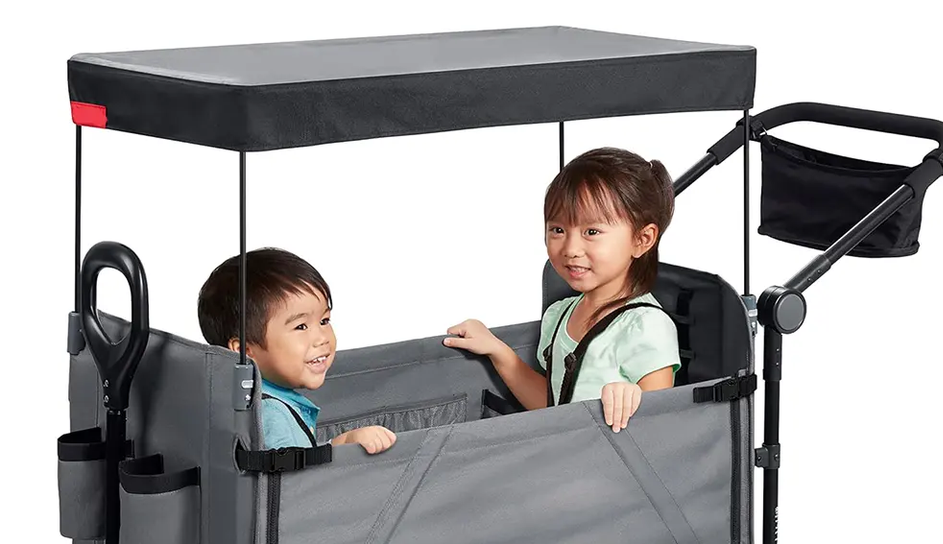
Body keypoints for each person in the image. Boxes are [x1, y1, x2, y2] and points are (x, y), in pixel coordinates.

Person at [444, 148, 679, 433]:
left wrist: (634, 401)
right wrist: (498, 350)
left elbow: (662, 432)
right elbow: (554, 406)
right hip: (562, 456)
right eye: (558, 230)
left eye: (591, 232)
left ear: (642, 240)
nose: (570, 249)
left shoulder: (646, 327)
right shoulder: (559, 315)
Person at [198, 248, 396, 453]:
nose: (321, 338)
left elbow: (297, 464)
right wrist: (344, 448)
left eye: (324, 320)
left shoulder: (230, 397)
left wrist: (341, 443)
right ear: (245, 350)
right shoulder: (272, 415)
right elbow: (297, 474)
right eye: (301, 326)